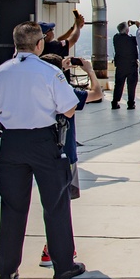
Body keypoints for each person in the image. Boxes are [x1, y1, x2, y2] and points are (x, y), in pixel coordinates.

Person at [0, 21, 87, 279]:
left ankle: (6, 271)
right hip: (43, 141)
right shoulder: (48, 72)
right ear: (39, 44)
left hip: (11, 143)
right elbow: (69, 109)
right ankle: (63, 267)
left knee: (12, 207)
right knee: (55, 205)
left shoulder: (1, 71)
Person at [39, 53, 103, 267]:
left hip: (42, 153)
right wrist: (90, 70)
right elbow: (97, 93)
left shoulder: (37, 91)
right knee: (62, 203)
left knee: (50, 202)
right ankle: (55, 248)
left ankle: (53, 246)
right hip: (65, 155)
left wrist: (60, 69)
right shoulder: (67, 93)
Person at [111, 21, 139, 110]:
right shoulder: (132, 40)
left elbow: (121, 32)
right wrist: (137, 25)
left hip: (120, 66)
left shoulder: (116, 38)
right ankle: (131, 103)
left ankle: (115, 102)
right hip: (131, 65)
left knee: (118, 85)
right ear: (127, 29)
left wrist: (126, 26)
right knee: (131, 85)